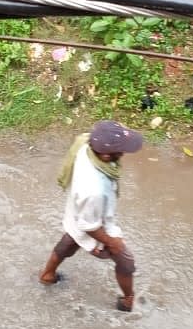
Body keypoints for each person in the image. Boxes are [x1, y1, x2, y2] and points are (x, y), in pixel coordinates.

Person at [39, 120, 143, 312]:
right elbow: (90, 226)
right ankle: (128, 301)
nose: (123, 154)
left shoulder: (85, 143)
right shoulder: (94, 189)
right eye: (121, 151)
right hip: (91, 221)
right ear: (105, 155)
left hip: (78, 211)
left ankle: (47, 275)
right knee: (126, 261)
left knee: (70, 239)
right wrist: (112, 242)